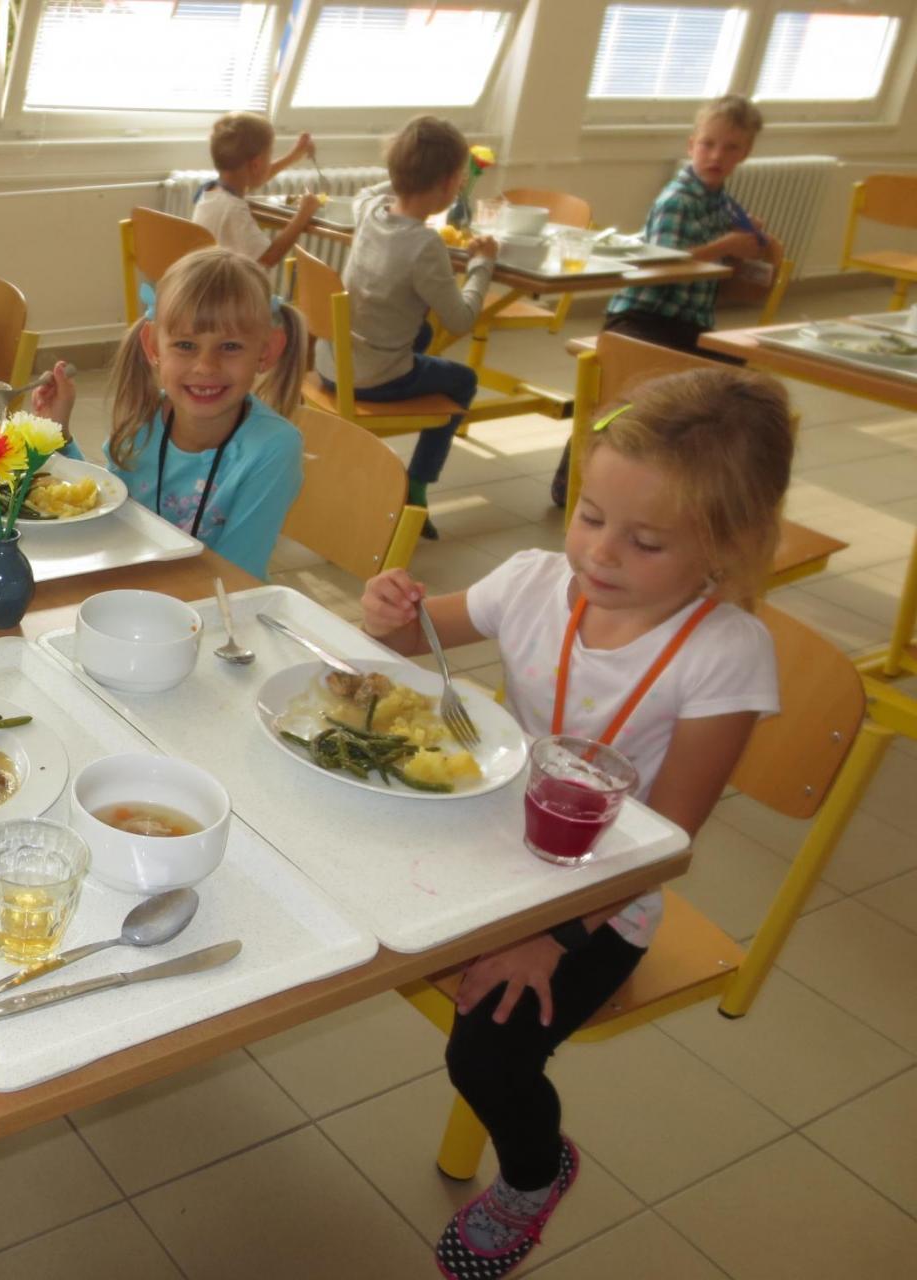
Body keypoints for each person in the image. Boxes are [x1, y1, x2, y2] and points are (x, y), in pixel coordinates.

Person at [358, 367, 794, 1280]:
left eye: (645, 541)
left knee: (487, 1053)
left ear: (727, 547)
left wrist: (550, 937)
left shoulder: (724, 655)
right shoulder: (532, 581)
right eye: (590, 515)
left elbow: (668, 842)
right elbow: (403, 641)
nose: (599, 554)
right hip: (492, 840)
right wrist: (387, 613)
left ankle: (533, 1175)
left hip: (605, 898)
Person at [549, 95, 774, 504]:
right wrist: (724, 246)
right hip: (644, 317)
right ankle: (572, 482)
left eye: (731, 147)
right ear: (691, 145)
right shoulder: (678, 199)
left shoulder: (723, 203)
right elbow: (664, 264)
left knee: (734, 389)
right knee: (619, 399)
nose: (717, 156)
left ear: (746, 153)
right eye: (708, 144)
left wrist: (748, 242)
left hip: (689, 323)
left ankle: (685, 480)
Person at [32, 247, 307, 580]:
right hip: (139, 586)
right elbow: (109, 510)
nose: (206, 366)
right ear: (153, 347)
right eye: (186, 345)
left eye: (231, 346)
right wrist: (57, 431)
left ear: (266, 352)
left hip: (216, 600)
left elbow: (236, 578)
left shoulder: (272, 448)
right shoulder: (145, 419)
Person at [320, 115, 498, 538]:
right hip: (370, 376)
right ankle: (417, 484)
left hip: (330, 362)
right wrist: (482, 265)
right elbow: (461, 318)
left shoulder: (369, 211)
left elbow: (367, 191)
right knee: (464, 380)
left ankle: (407, 403)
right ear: (451, 182)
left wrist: (401, 178)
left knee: (421, 333)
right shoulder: (424, 244)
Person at [191, 112, 322, 275]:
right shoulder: (234, 210)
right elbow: (268, 257)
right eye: (269, 155)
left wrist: (294, 155)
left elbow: (256, 177)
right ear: (256, 165)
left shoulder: (212, 191)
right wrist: (304, 213)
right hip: (227, 289)